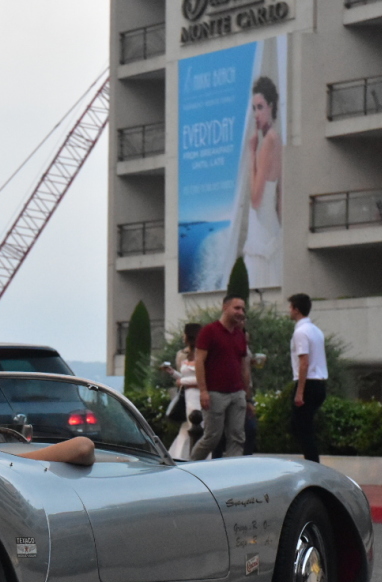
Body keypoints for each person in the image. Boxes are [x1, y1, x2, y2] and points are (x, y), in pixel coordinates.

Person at [190, 294, 253, 461]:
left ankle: (233, 475)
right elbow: (199, 361)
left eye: (243, 309)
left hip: (237, 393)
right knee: (212, 438)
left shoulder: (240, 335)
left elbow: (244, 367)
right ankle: (190, 468)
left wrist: (247, 397)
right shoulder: (209, 331)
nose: (241, 312)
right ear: (225, 307)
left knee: (237, 438)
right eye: (237, 308)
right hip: (215, 393)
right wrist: (203, 391)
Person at [243, 76, 282, 291]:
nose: (256, 114)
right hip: (271, 228)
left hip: (262, 231)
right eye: (253, 108)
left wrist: (251, 153)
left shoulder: (268, 142)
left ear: (271, 106)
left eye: (260, 107)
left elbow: (256, 199)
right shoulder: (277, 139)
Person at [288, 293, 328, 463]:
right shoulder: (316, 331)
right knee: (304, 426)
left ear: (296, 309)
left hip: (308, 383)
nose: (289, 311)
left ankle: (313, 464)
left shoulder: (301, 332)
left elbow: (304, 362)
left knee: (302, 429)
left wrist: (299, 392)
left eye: (290, 307)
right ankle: (312, 460)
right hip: (319, 382)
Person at [165, 323, 202, 459]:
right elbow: (186, 376)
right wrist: (173, 373)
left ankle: (182, 457)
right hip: (188, 397)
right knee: (186, 429)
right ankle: (180, 456)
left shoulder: (201, 355)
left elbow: (202, 379)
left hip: (197, 397)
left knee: (193, 428)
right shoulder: (187, 355)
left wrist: (183, 382)